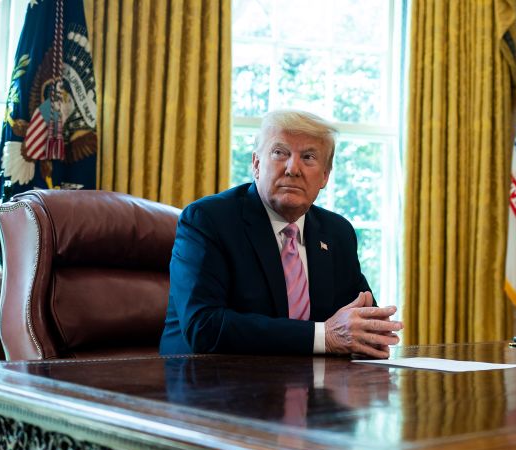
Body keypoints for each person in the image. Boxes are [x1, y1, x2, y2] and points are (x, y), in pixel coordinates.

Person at [160, 109, 402, 358]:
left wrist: (372, 333)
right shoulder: (208, 220)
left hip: (311, 386)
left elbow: (361, 324)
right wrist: (323, 336)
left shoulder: (336, 232)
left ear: (325, 176)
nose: (292, 169)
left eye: (308, 157)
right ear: (256, 164)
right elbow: (204, 327)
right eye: (279, 153)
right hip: (209, 385)